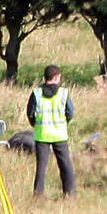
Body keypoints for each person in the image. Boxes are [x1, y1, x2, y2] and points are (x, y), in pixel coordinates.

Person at [27, 64, 76, 198]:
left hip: (42, 134)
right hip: (60, 134)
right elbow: (70, 113)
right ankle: (70, 194)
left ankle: (38, 195)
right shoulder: (63, 93)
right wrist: (63, 123)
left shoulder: (36, 93)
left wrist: (36, 125)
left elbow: (30, 114)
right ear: (57, 77)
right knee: (65, 165)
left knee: (41, 168)